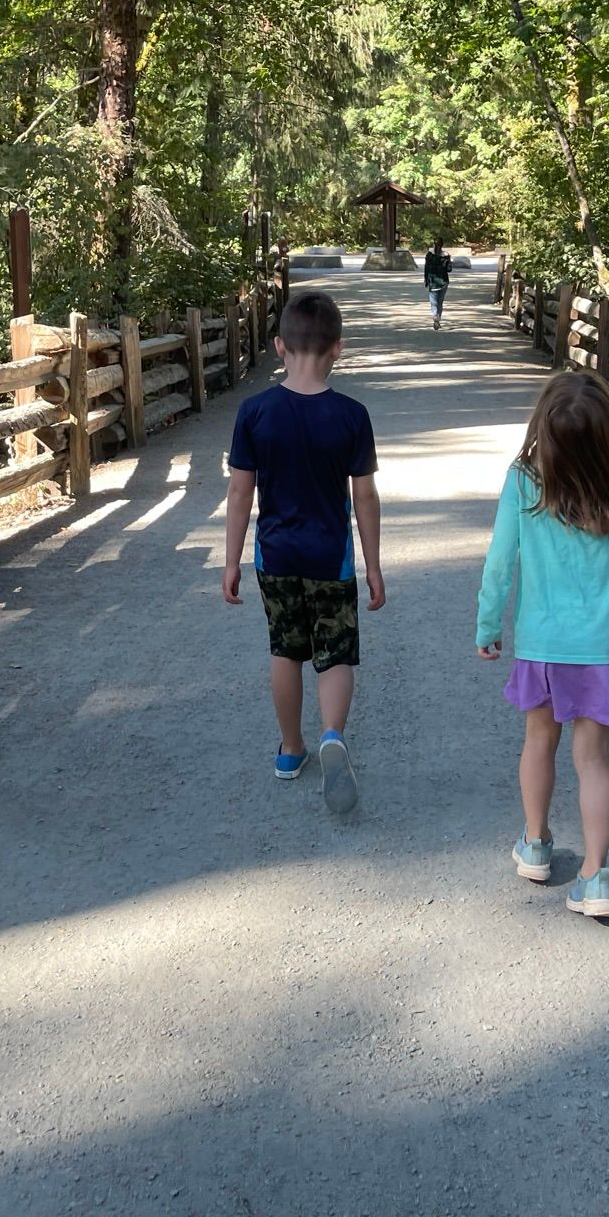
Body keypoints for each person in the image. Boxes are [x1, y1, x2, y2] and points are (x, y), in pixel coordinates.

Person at [475, 371, 609, 920]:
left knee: (538, 742)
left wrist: (488, 625)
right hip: (601, 645)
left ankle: (535, 843)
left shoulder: (525, 480)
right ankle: (596, 877)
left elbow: (501, 561)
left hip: (542, 643)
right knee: (594, 760)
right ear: (606, 436)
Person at [223, 290, 386, 813]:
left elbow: (239, 492)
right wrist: (374, 566)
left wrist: (231, 561)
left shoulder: (254, 413)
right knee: (335, 654)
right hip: (330, 558)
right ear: (337, 348)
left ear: (278, 346)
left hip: (275, 557)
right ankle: (332, 735)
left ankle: (291, 749)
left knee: (285, 651)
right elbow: (364, 495)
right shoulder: (352, 415)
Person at [423, 239, 454, 329]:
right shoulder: (446, 256)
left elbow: (426, 269)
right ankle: (438, 317)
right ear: (442, 245)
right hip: (443, 281)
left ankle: (435, 316)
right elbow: (449, 269)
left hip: (432, 281)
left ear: (434, 244)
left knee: (433, 302)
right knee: (440, 301)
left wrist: (426, 280)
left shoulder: (429, 255)